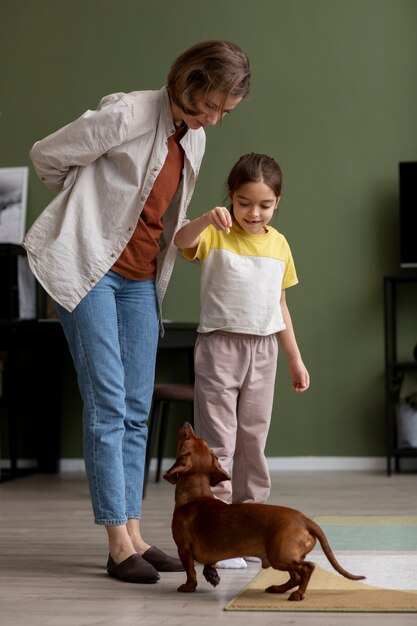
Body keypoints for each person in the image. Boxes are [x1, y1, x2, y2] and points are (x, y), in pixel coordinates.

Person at [23, 41, 251, 584]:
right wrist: (87, 209)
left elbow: (162, 217)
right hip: (92, 272)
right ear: (190, 82)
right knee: (106, 402)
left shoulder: (190, 139)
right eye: (213, 105)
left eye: (226, 112)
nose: (215, 120)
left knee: (133, 407)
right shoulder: (127, 113)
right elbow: (46, 157)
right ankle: (115, 543)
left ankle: (136, 534)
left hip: (142, 280)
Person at [174, 153, 310, 568]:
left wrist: (295, 360)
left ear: (277, 203)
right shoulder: (216, 233)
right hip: (219, 346)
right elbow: (180, 240)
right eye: (244, 202)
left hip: (264, 349)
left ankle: (252, 524)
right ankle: (219, 528)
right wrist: (204, 220)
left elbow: (280, 305)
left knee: (253, 438)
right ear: (230, 198)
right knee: (219, 439)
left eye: (264, 205)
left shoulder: (279, 245)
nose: (253, 212)